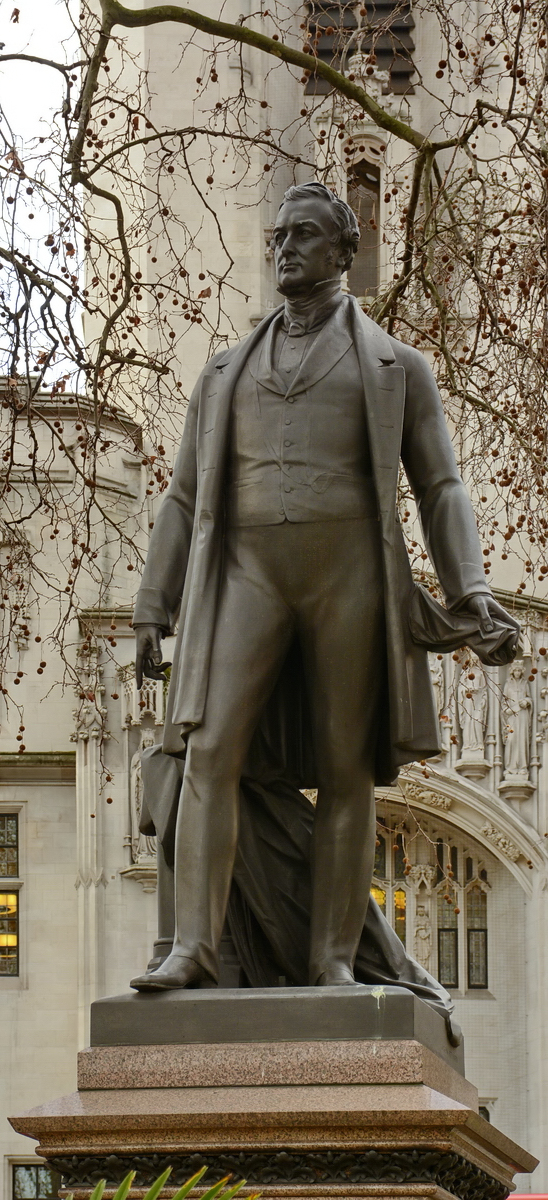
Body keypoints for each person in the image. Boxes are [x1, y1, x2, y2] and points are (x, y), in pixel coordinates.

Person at [130, 181, 519, 992]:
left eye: (303, 235)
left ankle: (333, 960)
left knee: (346, 770)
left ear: (346, 250)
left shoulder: (397, 367)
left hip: (350, 576)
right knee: (207, 749)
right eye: (277, 236)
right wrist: (152, 603)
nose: (284, 249)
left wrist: (470, 587)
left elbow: (442, 486)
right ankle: (194, 947)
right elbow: (181, 493)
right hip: (245, 576)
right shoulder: (226, 370)